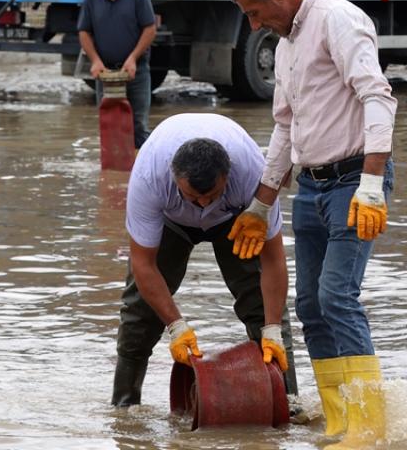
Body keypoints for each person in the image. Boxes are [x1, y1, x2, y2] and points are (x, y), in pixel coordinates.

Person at [229, 0, 396, 447]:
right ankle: (339, 423)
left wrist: (372, 184)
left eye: (255, 13)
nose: (255, 25)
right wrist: (261, 205)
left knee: (336, 296)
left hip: (354, 181)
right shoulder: (285, 46)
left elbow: (377, 97)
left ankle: (371, 429)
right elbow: (285, 126)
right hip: (312, 185)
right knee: (309, 306)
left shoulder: (337, 20)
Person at [112, 112, 299, 407]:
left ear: (228, 176)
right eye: (192, 196)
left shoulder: (252, 174)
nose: (202, 204)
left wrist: (273, 327)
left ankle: (287, 403)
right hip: (172, 221)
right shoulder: (149, 178)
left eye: (211, 195)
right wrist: (176, 326)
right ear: (174, 178)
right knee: (140, 314)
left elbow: (274, 260)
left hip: (237, 217)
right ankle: (124, 406)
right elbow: (143, 264)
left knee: (261, 308)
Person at [78, 0, 155, 148]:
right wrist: (95, 61)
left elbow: (150, 28)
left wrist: (133, 58)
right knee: (109, 125)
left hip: (135, 71)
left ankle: (138, 166)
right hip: (105, 74)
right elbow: (84, 32)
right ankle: (113, 168)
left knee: (138, 126)